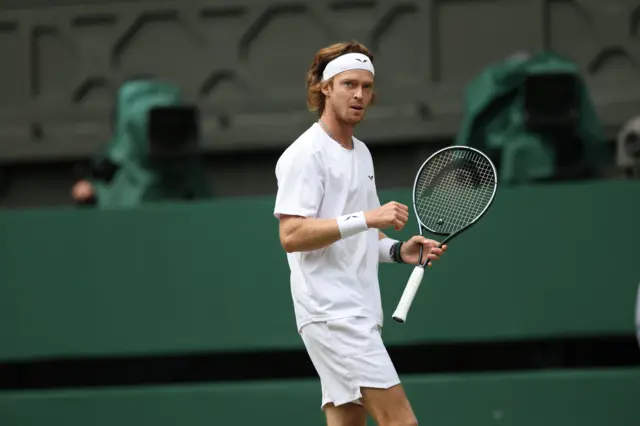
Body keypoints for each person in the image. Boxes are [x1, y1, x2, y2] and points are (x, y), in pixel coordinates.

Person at [273, 41, 447, 426]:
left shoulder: (361, 153)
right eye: (349, 84)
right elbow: (292, 234)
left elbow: (364, 239)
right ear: (325, 88)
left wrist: (399, 251)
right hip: (332, 313)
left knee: (348, 422)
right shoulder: (305, 154)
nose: (359, 95)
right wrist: (367, 218)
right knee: (401, 421)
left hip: (359, 311)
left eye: (367, 87)